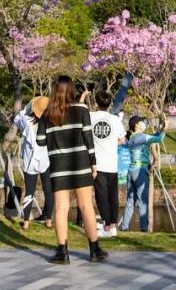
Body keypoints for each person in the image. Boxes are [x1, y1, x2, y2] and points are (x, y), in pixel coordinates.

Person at [35, 75, 107, 265]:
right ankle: (94, 249)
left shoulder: (47, 113)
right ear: (72, 90)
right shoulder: (82, 109)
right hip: (81, 163)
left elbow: (40, 141)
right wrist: (93, 163)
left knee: (61, 208)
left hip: (59, 166)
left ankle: (62, 252)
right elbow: (88, 139)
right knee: (86, 206)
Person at [119, 115, 165, 232]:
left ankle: (124, 227)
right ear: (136, 125)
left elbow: (153, 137)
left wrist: (160, 128)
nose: (143, 123)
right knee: (142, 201)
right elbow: (158, 139)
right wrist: (165, 129)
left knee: (130, 202)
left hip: (131, 171)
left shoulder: (132, 138)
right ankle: (144, 228)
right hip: (140, 171)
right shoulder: (140, 137)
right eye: (141, 121)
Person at [90, 90, 125, 238]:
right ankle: (113, 226)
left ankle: (106, 226)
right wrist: (111, 143)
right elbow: (122, 140)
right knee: (112, 195)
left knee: (101, 195)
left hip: (97, 164)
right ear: (110, 103)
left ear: (96, 103)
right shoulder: (115, 119)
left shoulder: (90, 117)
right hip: (112, 163)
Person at [14, 96, 53, 230]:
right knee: (48, 190)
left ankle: (26, 222)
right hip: (45, 160)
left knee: (29, 192)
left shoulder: (27, 121)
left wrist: (27, 108)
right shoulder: (50, 122)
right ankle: (48, 220)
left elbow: (16, 119)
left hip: (30, 160)